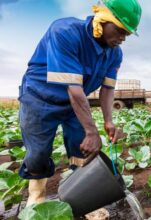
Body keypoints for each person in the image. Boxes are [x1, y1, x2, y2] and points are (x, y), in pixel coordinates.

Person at [17, 0, 141, 208]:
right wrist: (92, 131)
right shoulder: (65, 32)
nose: (122, 38)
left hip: (75, 104)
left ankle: (83, 195)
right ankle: (36, 196)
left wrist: (108, 121)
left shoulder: (115, 53)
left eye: (127, 34)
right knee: (37, 154)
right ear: (103, 19)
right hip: (39, 99)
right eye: (120, 30)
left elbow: (108, 89)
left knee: (84, 149)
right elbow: (73, 89)